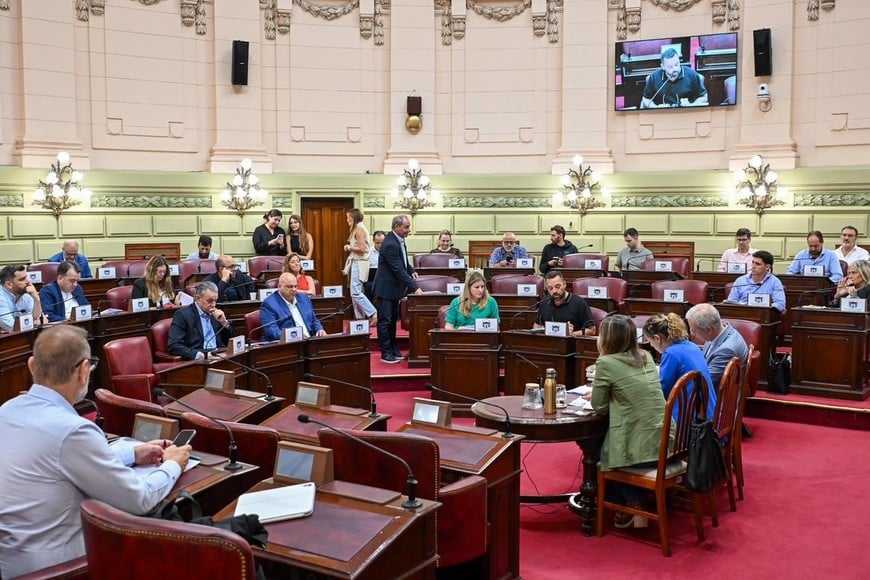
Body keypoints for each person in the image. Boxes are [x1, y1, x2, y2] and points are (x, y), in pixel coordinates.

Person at [0, 325, 190, 577]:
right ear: (82, 370)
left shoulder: (8, 410)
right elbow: (138, 500)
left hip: (12, 561)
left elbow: (53, 464)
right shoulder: (73, 430)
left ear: (32, 365)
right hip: (63, 569)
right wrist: (173, 464)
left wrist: (131, 454)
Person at [587, 315, 673, 529]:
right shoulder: (645, 355)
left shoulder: (606, 363)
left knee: (596, 453)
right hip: (667, 441)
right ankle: (636, 500)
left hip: (642, 449)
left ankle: (630, 503)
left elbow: (599, 407)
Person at [642, 313, 716, 422]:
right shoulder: (692, 346)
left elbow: (663, 391)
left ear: (657, 338)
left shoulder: (671, 354)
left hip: (687, 420)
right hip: (707, 411)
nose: (651, 345)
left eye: (650, 341)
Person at [373, 214, 422, 364]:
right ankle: (386, 353)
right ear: (397, 227)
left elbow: (403, 262)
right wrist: (414, 287)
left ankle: (393, 350)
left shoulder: (398, 240)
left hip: (393, 289)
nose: (409, 230)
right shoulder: (390, 244)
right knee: (385, 321)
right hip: (385, 289)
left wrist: (411, 269)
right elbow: (397, 269)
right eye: (406, 227)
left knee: (392, 320)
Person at [686, 303, 749, 390]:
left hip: (715, 396)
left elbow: (705, 382)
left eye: (694, 331)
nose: (692, 334)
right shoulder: (721, 330)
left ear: (708, 330)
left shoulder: (726, 350)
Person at [167, 281, 232, 360]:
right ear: (198, 299)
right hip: (199, 361)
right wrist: (199, 355)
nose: (214, 305)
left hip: (219, 355)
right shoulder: (183, 315)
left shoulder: (215, 314)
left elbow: (229, 341)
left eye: (215, 300)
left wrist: (224, 323)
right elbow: (174, 345)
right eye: (210, 301)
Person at [259, 273, 326, 342]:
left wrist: (319, 329)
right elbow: (271, 331)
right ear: (279, 286)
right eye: (290, 287)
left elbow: (314, 320)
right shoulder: (269, 304)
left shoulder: (303, 298)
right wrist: (296, 336)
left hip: (310, 341)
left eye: (296, 286)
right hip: (288, 346)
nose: (294, 290)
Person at [640, 47, 708, 109]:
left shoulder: (692, 75)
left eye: (676, 64)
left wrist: (691, 105)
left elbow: (704, 97)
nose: (675, 69)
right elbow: (646, 99)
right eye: (670, 67)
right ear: (663, 66)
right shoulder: (654, 77)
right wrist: (655, 107)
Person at [534, 270, 595, 336]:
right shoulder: (544, 302)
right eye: (550, 288)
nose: (554, 291)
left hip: (571, 343)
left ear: (564, 284)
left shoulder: (579, 303)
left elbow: (592, 330)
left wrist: (572, 334)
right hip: (549, 342)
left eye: (557, 286)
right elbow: (537, 324)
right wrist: (539, 331)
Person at [343, 208, 378, 325]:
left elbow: (362, 249)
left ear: (354, 218)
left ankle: (373, 313)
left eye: (349, 218)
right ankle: (361, 319)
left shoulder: (359, 229)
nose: (347, 220)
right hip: (358, 262)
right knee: (357, 292)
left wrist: (349, 247)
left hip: (359, 262)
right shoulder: (359, 228)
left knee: (355, 292)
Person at [0, 264, 43, 331]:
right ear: (9, 284)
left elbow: (35, 318)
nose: (28, 281)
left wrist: (36, 298)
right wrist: (34, 323)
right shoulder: (1, 297)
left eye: (26, 277)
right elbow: (11, 328)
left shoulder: (26, 292)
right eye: (22, 279)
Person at [365, 230, 385, 300]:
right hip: (372, 280)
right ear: (373, 241)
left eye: (382, 243)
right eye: (377, 243)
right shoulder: (368, 253)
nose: (380, 245)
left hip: (384, 280)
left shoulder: (388, 252)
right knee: (368, 286)